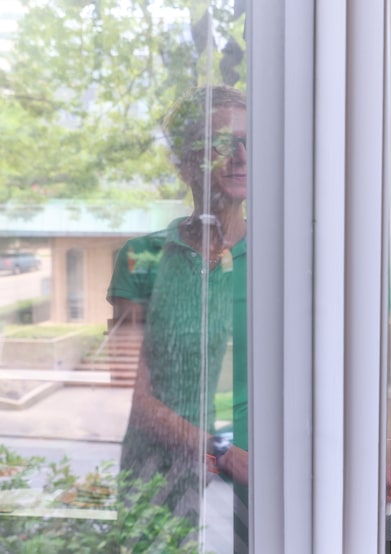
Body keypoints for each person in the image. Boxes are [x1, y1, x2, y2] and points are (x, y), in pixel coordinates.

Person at [108, 84, 249, 549]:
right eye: (223, 144)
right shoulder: (142, 258)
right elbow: (131, 388)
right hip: (158, 481)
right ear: (187, 161)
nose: (241, 157)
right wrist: (222, 451)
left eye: (249, 142)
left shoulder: (285, 262)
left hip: (257, 486)